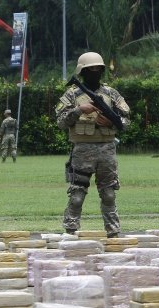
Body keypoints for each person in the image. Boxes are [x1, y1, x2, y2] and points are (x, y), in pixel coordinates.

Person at [55, 52, 130, 238]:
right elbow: (61, 122)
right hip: (82, 150)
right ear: (82, 71)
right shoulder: (72, 95)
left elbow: (126, 121)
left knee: (109, 194)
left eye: (98, 69)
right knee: (77, 194)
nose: (94, 72)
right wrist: (79, 109)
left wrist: (110, 122)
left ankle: (113, 231)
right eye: (91, 69)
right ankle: (71, 231)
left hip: (107, 150)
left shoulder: (111, 94)